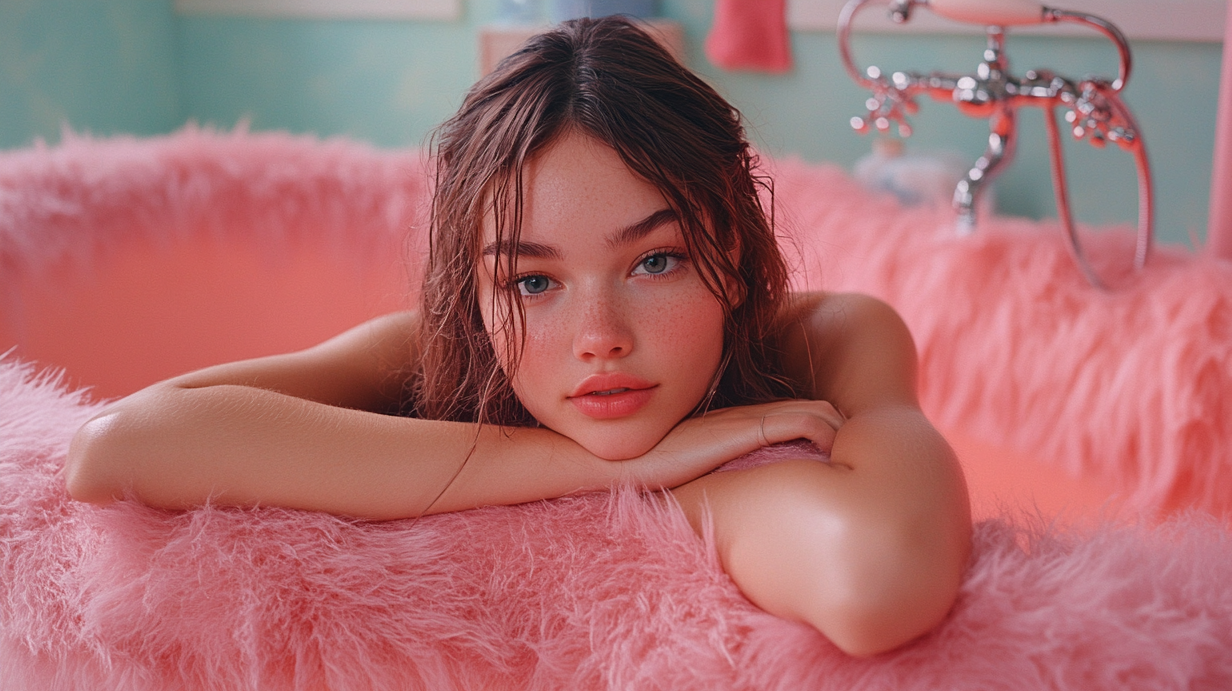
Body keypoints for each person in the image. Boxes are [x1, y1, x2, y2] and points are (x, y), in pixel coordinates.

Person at [64, 17, 970, 658]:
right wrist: (620, 472)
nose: (598, 338)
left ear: (728, 251)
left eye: (654, 262)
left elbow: (878, 579)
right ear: (479, 289)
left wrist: (687, 493)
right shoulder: (440, 350)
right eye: (533, 282)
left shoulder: (831, 341)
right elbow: (117, 449)